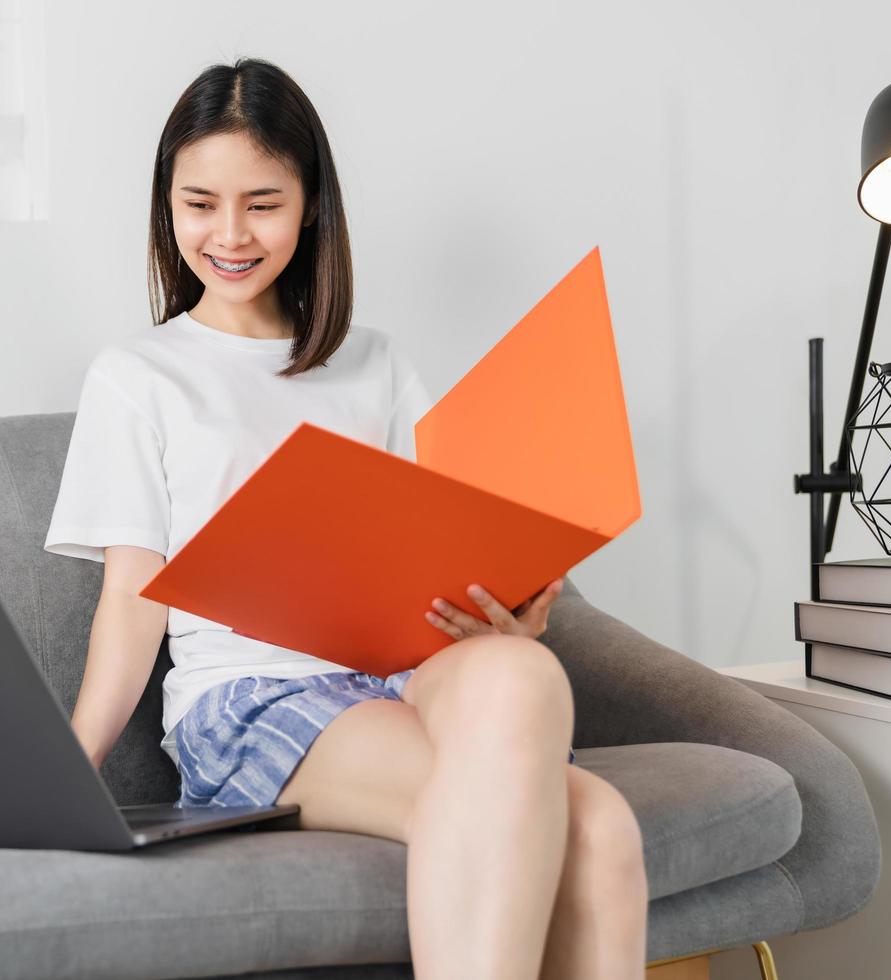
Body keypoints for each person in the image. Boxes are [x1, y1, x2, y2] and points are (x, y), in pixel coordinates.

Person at [42, 56, 647, 980]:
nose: (230, 233)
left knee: (524, 673)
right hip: (254, 695)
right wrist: (66, 772)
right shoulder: (138, 376)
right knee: (593, 828)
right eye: (200, 203)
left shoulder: (378, 366)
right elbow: (132, 598)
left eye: (263, 202)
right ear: (167, 205)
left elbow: (446, 541)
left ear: (312, 202)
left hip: (406, 672)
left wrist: (508, 610)